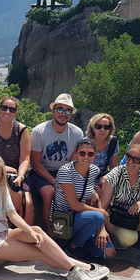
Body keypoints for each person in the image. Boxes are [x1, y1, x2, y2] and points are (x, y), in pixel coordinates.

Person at [0, 156, 110, 280]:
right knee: (37, 253)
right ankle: (84, 268)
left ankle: (82, 269)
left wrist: (28, 229)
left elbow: (13, 216)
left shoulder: (1, 190)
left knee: (38, 231)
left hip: (4, 233)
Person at [51, 138, 115, 260]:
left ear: (94, 155)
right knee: (98, 216)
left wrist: (102, 229)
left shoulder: (93, 170)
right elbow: (74, 205)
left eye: (90, 154)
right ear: (76, 154)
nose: (86, 157)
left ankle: (79, 241)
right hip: (64, 220)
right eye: (82, 153)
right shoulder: (66, 171)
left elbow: (93, 197)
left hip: (83, 218)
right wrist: (101, 212)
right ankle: (75, 246)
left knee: (108, 253)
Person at [28, 93, 84, 234]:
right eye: (60, 109)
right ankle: (49, 230)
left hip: (64, 171)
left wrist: (66, 179)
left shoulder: (77, 133)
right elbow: (35, 163)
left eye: (68, 111)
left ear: (71, 114)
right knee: (49, 192)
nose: (63, 114)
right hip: (41, 173)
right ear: (53, 111)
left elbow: (73, 160)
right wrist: (54, 181)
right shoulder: (39, 132)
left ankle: (72, 229)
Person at [99, 144, 140, 263]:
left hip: (134, 218)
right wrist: (101, 229)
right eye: (129, 157)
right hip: (114, 217)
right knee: (129, 239)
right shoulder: (116, 174)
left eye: (136, 159)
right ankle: (116, 237)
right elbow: (102, 205)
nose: (131, 161)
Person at [0, 95, 34, 226]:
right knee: (13, 195)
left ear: (16, 112)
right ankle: (4, 229)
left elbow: (25, 158)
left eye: (12, 109)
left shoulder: (21, 130)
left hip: (15, 174)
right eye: (4, 108)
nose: (7, 112)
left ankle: (23, 236)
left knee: (28, 202)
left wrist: (20, 176)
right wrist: (2, 168)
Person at [86, 113, 119, 179]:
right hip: (85, 178)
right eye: (98, 126)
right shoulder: (85, 143)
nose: (102, 130)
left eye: (106, 127)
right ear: (92, 128)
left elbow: (114, 166)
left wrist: (107, 177)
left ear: (110, 129)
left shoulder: (113, 142)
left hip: (104, 178)